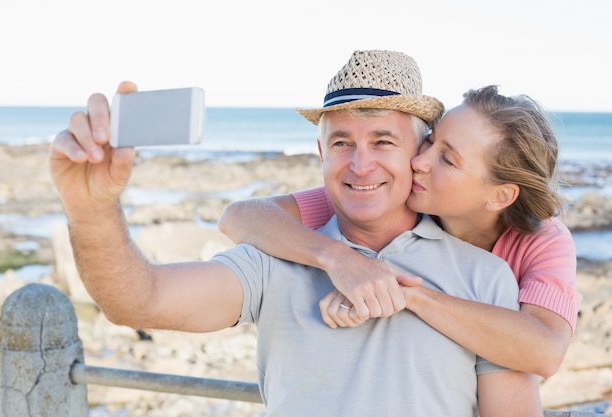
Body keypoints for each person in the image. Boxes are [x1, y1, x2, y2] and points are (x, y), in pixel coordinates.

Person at [50, 50, 542, 416]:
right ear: (320, 152)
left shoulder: (486, 277)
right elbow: (140, 301)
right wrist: (92, 210)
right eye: (342, 142)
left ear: (418, 154)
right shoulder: (273, 257)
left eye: (383, 141)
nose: (360, 162)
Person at [219, 84, 582, 377]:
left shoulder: (542, 240)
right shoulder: (393, 196)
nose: (419, 161)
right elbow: (240, 216)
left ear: (500, 195)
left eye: (447, 158)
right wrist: (340, 260)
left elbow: (545, 350)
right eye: (430, 140)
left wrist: (405, 293)